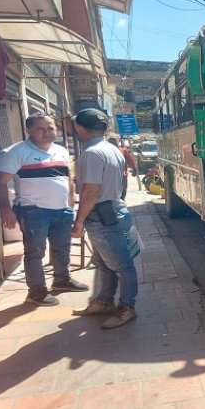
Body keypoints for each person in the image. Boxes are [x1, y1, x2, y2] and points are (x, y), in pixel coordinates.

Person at [0, 112, 89, 306]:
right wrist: (5, 209)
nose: (47, 132)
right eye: (40, 129)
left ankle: (62, 279)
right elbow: (0, 183)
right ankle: (36, 292)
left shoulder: (61, 151)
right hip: (33, 211)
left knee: (62, 247)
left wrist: (70, 203)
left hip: (62, 210)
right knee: (35, 252)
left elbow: (67, 179)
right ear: (29, 130)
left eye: (51, 128)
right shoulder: (16, 152)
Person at [70, 108, 139, 329]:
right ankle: (104, 301)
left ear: (80, 128)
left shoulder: (90, 154)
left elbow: (90, 191)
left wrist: (79, 221)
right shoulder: (111, 149)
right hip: (112, 211)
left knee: (121, 265)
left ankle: (127, 307)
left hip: (101, 216)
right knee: (103, 262)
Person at [107, 135, 137, 200]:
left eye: (115, 141)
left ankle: (121, 200)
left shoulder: (123, 150)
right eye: (111, 141)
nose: (113, 143)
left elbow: (130, 160)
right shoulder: (104, 151)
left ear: (118, 142)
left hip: (122, 174)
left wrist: (134, 168)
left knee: (123, 190)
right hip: (109, 175)